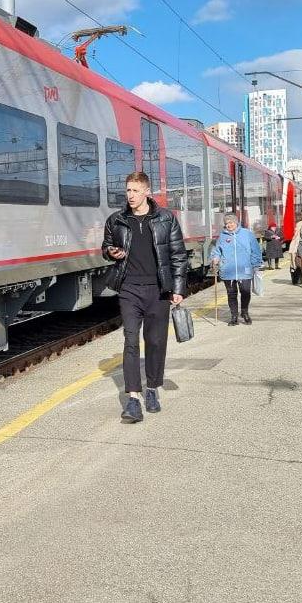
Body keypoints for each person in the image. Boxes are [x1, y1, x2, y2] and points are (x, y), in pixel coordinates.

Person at [102, 171, 187, 424]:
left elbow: (178, 255)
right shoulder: (116, 220)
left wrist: (178, 288)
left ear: (147, 192)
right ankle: (133, 398)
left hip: (158, 290)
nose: (130, 195)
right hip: (129, 289)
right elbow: (105, 247)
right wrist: (111, 252)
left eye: (135, 191)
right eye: (128, 190)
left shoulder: (165, 219)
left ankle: (152, 388)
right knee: (130, 342)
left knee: (156, 341)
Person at [211, 213, 263, 326]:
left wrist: (255, 265)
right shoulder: (222, 236)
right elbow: (216, 250)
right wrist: (215, 258)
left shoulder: (247, 234)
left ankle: (244, 312)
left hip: (244, 268)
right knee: (231, 294)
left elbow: (256, 250)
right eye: (226, 223)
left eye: (230, 222)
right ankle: (234, 316)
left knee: (245, 292)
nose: (228, 225)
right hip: (227, 270)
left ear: (236, 222)